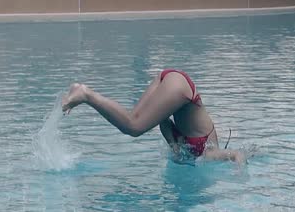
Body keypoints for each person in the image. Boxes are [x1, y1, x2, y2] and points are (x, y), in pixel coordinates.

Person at [62, 69, 246, 164]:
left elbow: (164, 122)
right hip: (181, 89)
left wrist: (173, 145)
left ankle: (82, 92)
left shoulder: (188, 146)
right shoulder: (209, 153)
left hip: (172, 79)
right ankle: (86, 94)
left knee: (132, 119)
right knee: (133, 127)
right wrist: (240, 174)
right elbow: (237, 154)